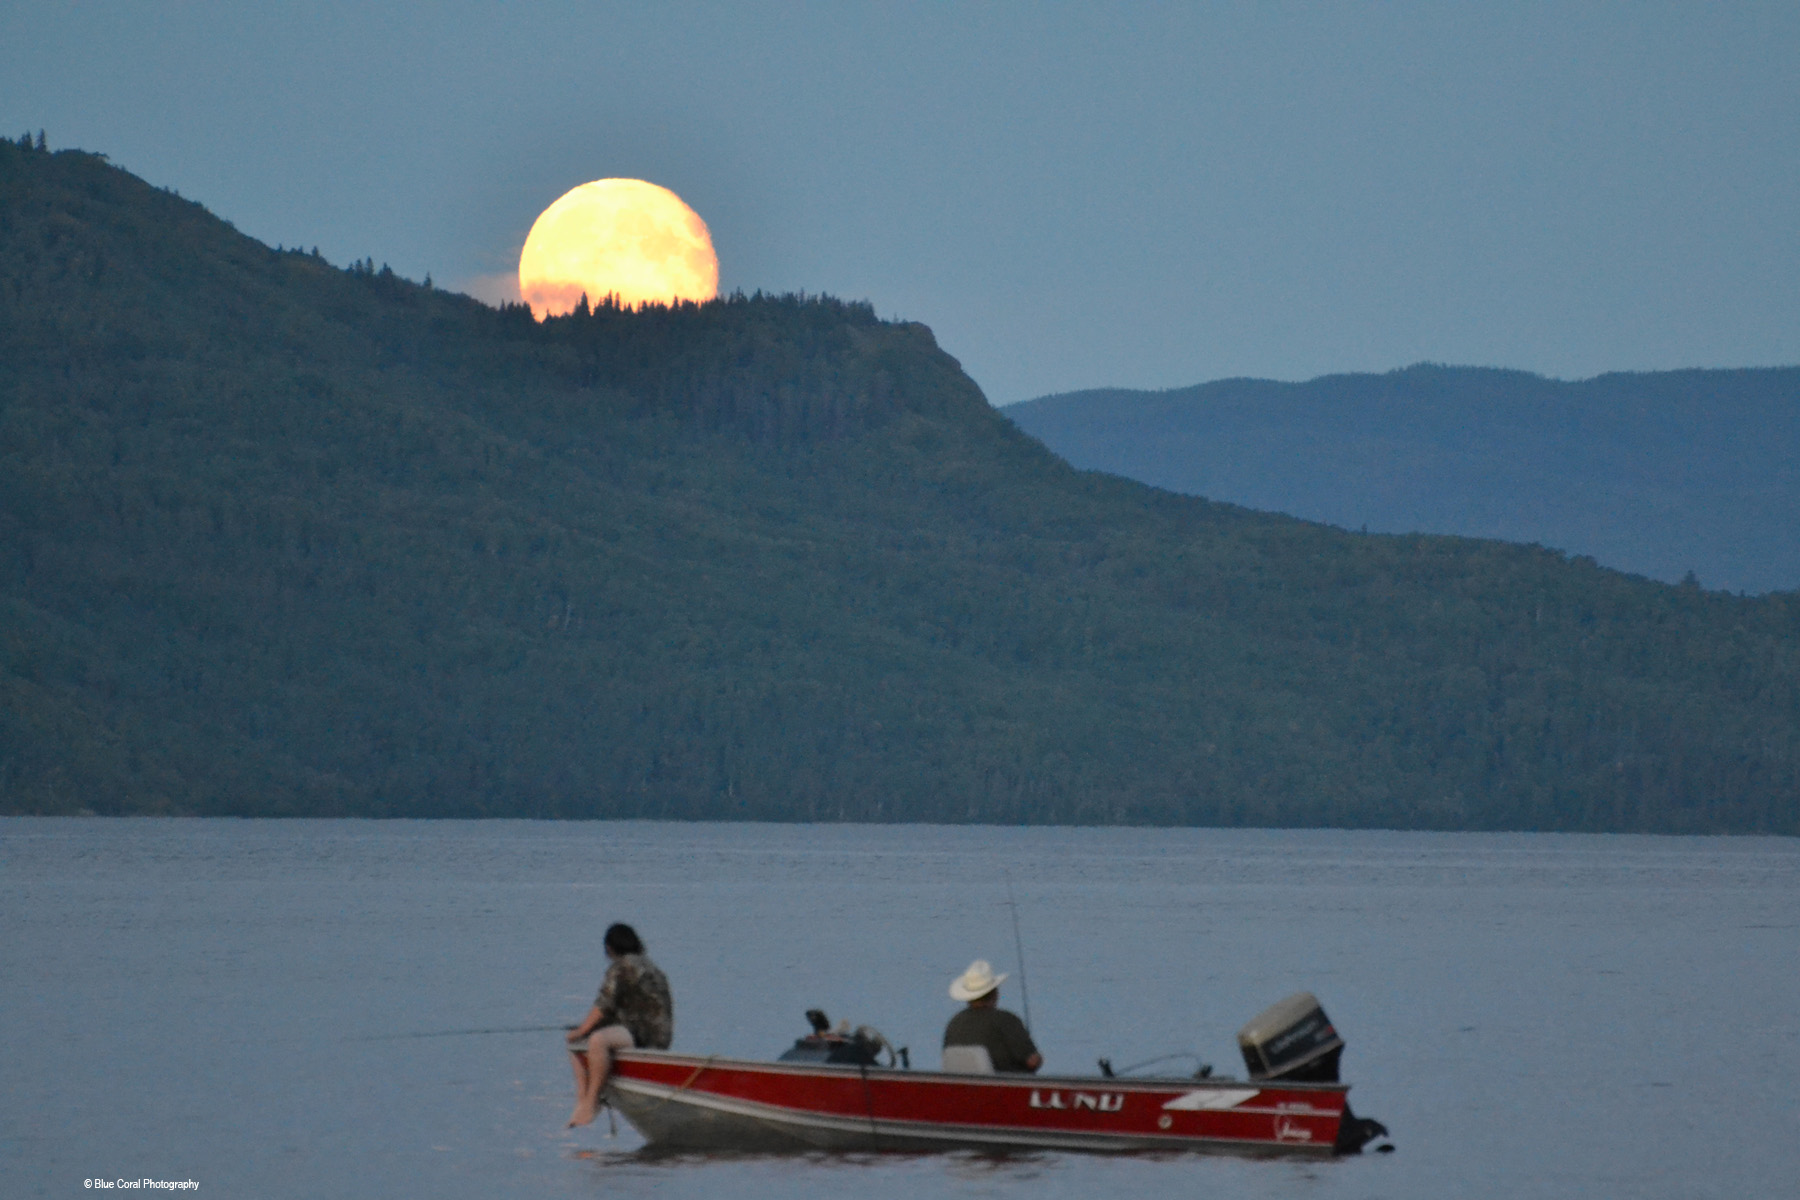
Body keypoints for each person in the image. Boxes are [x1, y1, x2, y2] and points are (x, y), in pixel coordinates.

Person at [565, 922, 673, 1127]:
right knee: (586, 1038)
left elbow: (603, 1005)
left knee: (594, 1040)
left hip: (641, 1035)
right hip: (660, 1038)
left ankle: (590, 1100)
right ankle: (583, 1100)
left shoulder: (622, 967)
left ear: (610, 948)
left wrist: (581, 1030)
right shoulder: (652, 967)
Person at [942, 959, 1041, 1073]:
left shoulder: (954, 1023)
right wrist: (1038, 1058)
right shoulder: (1006, 1020)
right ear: (995, 993)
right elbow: (1032, 1061)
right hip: (1005, 1087)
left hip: (960, 1088)